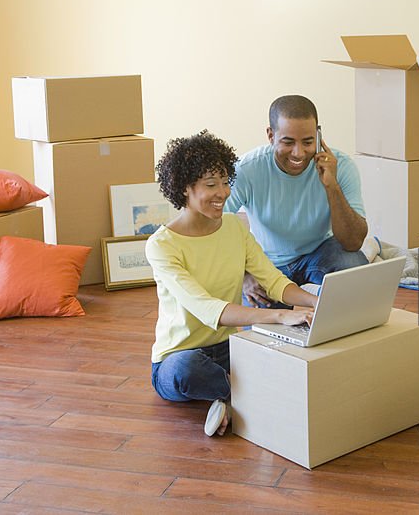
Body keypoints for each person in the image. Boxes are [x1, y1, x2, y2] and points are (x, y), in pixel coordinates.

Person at [146, 131, 317, 436]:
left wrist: (315, 302)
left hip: (228, 348)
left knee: (280, 349)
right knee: (186, 370)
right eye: (211, 185)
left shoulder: (234, 228)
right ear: (185, 188)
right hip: (177, 358)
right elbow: (207, 308)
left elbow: (274, 281)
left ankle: (227, 396)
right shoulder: (162, 245)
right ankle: (241, 392)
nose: (223, 193)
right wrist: (279, 314)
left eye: (225, 182)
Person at [224, 95, 368, 307]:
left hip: (320, 253)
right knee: (262, 325)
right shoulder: (247, 169)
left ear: (318, 135)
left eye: (308, 142)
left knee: (355, 265)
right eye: (288, 142)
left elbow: (353, 242)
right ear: (271, 135)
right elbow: (215, 226)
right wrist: (244, 274)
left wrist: (331, 186)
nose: (299, 153)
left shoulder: (341, 166)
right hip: (267, 264)